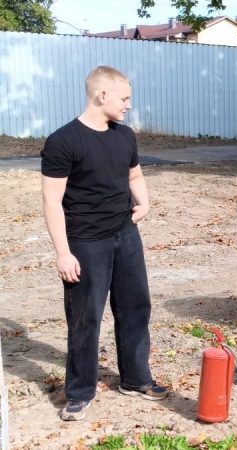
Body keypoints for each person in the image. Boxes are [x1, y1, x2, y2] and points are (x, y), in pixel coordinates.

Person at [41, 66, 168, 422]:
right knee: (85, 319)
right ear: (102, 96)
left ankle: (136, 378)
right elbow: (52, 201)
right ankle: (79, 392)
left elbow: (134, 173)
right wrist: (63, 253)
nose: (129, 105)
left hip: (125, 235)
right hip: (85, 242)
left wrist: (144, 203)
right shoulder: (63, 141)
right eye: (124, 98)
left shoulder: (125, 135)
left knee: (135, 309)